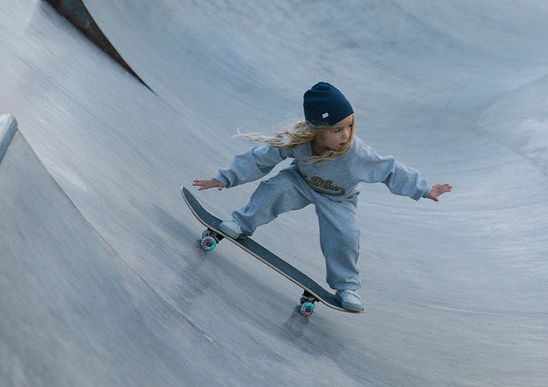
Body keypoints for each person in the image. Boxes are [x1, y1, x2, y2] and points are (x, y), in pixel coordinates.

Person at [193, 82, 451, 312]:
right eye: (337, 130)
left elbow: (390, 169)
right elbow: (260, 158)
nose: (346, 135)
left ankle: (347, 287)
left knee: (345, 235)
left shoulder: (357, 153)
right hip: (300, 181)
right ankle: (242, 224)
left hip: (339, 198)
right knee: (275, 188)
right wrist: (225, 178)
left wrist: (423, 189)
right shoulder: (297, 141)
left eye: (350, 126)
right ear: (317, 131)